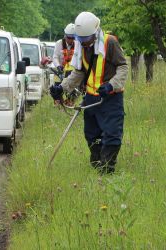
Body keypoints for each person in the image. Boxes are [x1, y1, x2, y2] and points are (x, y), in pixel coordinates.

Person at [49, 12, 128, 174]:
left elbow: (123, 67)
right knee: (92, 136)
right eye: (81, 40)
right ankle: (98, 167)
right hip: (91, 99)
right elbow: (79, 73)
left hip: (110, 98)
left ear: (95, 33)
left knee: (112, 135)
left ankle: (107, 171)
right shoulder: (81, 46)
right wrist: (62, 88)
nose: (83, 43)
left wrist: (111, 85)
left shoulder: (110, 43)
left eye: (86, 40)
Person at [50, 23, 76, 105]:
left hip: (71, 73)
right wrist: (58, 66)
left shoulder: (77, 45)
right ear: (65, 36)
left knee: (71, 92)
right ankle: (58, 105)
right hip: (60, 72)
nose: (71, 40)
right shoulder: (59, 43)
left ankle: (69, 104)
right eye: (69, 38)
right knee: (57, 91)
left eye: (73, 38)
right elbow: (55, 57)